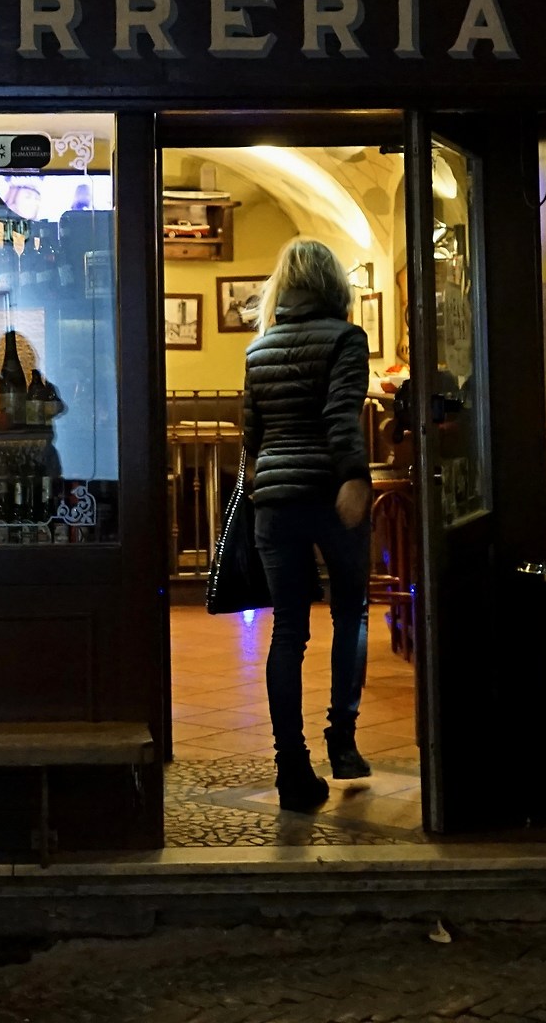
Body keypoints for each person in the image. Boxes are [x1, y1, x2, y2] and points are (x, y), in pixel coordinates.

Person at [239, 236, 375, 811]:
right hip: (328, 492)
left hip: (275, 500)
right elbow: (340, 415)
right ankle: (341, 740)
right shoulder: (346, 338)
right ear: (333, 285)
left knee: (288, 630)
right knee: (351, 612)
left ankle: (291, 767)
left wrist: (262, 483)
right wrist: (354, 477)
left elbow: (252, 435)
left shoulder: (259, 349)